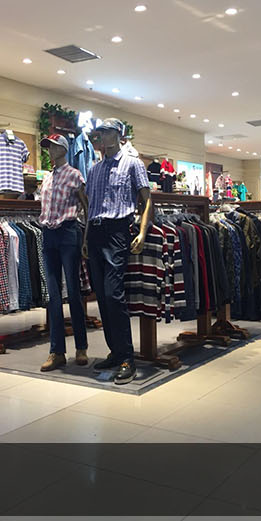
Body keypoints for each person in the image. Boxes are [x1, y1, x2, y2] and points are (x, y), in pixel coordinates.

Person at [83, 119, 151, 384]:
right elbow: (90, 208)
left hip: (117, 231)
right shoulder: (94, 170)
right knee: (101, 296)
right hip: (96, 232)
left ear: (119, 135)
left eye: (108, 132)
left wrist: (142, 231)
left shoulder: (133, 164)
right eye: (101, 132)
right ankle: (115, 352)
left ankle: (127, 358)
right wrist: (86, 238)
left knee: (114, 294)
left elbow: (146, 200)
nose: (103, 136)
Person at [36, 134, 90, 372]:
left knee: (74, 291)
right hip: (48, 233)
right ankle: (56, 351)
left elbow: (86, 207)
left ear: (64, 149)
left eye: (54, 146)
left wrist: (86, 238)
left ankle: (81, 346)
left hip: (68, 232)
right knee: (53, 295)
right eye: (48, 147)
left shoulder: (75, 175)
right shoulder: (47, 177)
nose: (50, 150)